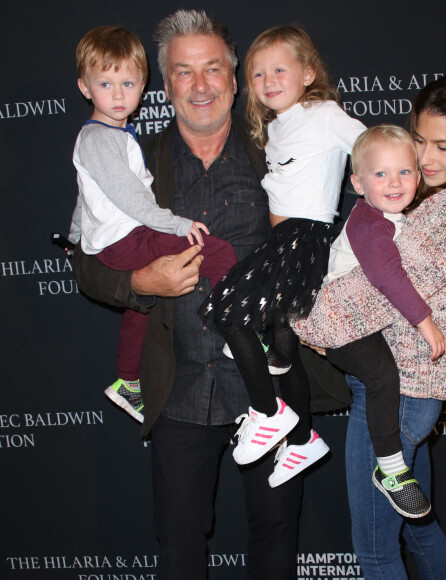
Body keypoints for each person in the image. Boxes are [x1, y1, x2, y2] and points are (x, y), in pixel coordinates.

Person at [72, 10, 319, 579]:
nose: (201, 85)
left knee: (278, 535)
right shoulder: (131, 160)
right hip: (178, 388)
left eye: (213, 69)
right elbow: (88, 263)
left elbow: (321, 245)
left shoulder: (279, 154)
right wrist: (139, 284)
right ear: (165, 86)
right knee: (179, 544)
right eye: (184, 72)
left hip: (269, 393)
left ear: (235, 80)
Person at [293, 72, 446, 579]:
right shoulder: (429, 201)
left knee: (374, 550)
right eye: (419, 140)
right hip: (402, 388)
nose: (426, 158)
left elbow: (376, 294)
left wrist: (298, 314)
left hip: (400, 396)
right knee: (418, 530)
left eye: (443, 145)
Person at [199, 25, 366, 488]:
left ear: (308, 73)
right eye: (256, 74)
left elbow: (371, 147)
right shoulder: (275, 128)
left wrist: (387, 193)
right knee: (283, 355)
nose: (268, 80)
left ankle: (267, 412)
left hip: (305, 238)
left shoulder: (325, 113)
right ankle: (304, 439)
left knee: (228, 310)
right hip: (283, 243)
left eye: (279, 69)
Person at [69, 25, 238, 423]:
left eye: (127, 83)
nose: (116, 94)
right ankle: (240, 332)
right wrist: (177, 225)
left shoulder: (109, 136)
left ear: (143, 87)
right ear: (84, 87)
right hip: (127, 238)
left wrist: (77, 233)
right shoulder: (101, 140)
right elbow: (129, 198)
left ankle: (128, 380)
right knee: (218, 252)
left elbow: (85, 198)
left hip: (117, 239)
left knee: (139, 310)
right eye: (105, 83)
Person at [322, 124, 446, 519]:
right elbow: (388, 278)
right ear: (358, 183)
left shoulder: (397, 219)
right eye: (381, 174)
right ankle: (391, 469)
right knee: (381, 376)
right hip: (340, 324)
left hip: (363, 324)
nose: (394, 183)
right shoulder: (368, 223)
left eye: (404, 172)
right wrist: (426, 324)